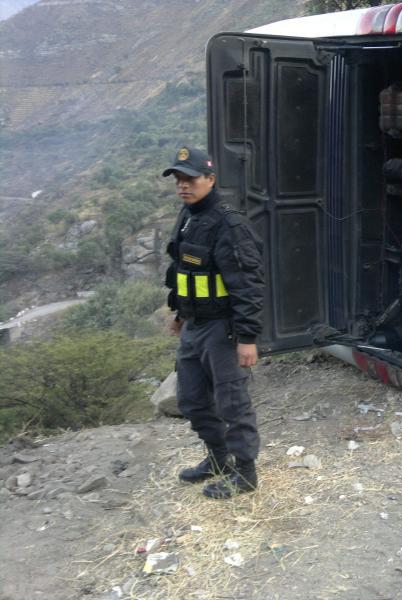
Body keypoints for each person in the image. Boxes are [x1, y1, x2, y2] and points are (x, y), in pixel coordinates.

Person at [162, 146, 265, 499]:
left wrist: (247, 337)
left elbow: (248, 284)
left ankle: (246, 473)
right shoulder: (189, 214)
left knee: (232, 403)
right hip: (194, 325)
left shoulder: (229, 223)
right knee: (191, 400)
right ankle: (219, 459)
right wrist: (179, 313)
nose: (183, 186)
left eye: (190, 179)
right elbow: (183, 270)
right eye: (178, 180)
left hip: (223, 329)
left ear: (210, 179)